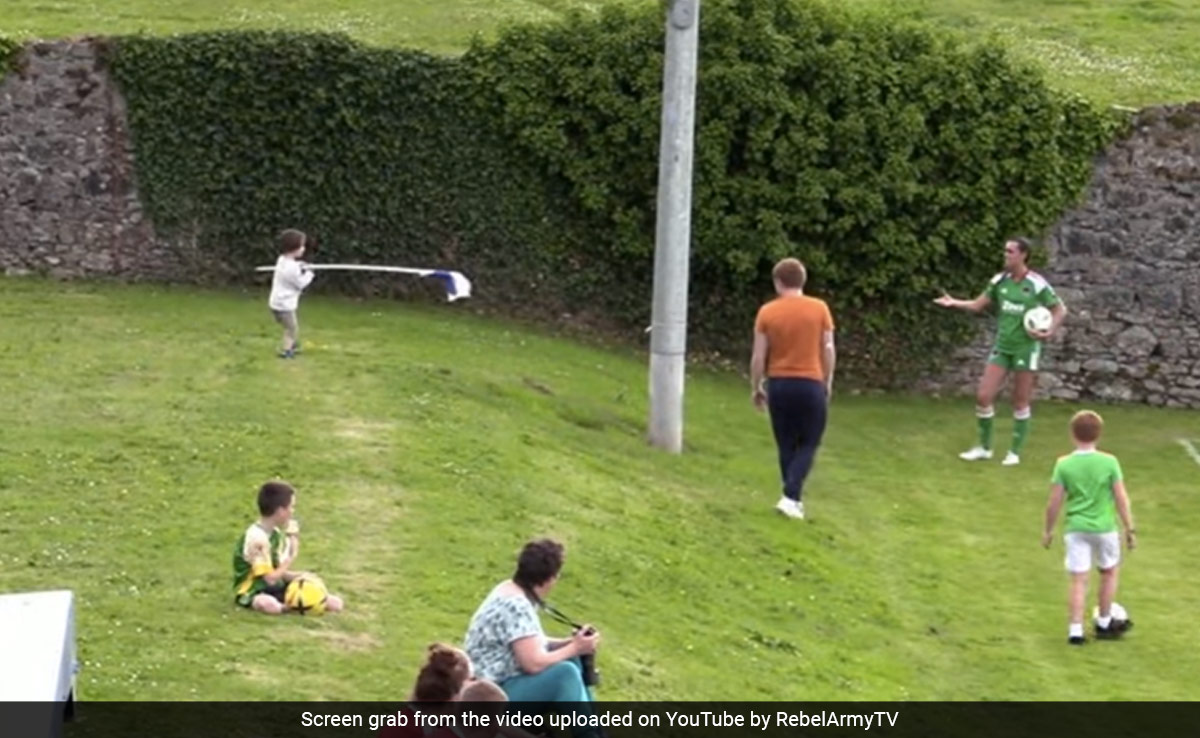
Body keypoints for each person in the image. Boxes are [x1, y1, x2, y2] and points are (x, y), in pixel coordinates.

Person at [934, 237, 1067, 466]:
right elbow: (978, 305)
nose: (1005, 255)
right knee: (983, 396)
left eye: (1010, 251)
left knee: (1020, 400)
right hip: (1002, 347)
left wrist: (1050, 330)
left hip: (1026, 348)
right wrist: (953, 302)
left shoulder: (1036, 284)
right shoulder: (999, 281)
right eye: (1005, 251)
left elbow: (1060, 309)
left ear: (1023, 255)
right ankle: (984, 448)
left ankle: (1014, 452)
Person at [463, 539, 599, 715]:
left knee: (572, 659)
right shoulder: (517, 605)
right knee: (566, 672)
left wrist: (569, 644)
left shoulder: (508, 589)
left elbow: (526, 641)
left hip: (487, 685)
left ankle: (593, 727)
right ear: (550, 578)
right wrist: (575, 647)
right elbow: (532, 663)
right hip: (492, 695)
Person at [749, 257, 836, 521]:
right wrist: (827, 379)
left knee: (786, 442)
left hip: (780, 383)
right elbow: (828, 348)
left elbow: (758, 355)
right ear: (803, 281)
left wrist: (756, 385)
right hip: (810, 382)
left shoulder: (767, 312)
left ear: (777, 282)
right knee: (809, 441)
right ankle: (790, 496)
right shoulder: (819, 309)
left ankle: (792, 498)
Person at [1041, 410, 1136, 645]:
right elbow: (1121, 497)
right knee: (1109, 572)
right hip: (1104, 528)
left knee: (1078, 579)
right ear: (1099, 434)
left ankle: (1075, 630)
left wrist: (1048, 530)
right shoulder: (1109, 462)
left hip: (1076, 528)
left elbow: (1054, 502)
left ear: (1073, 434)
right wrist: (1129, 528)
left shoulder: (1064, 464)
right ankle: (1104, 621)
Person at [232, 480, 345, 614]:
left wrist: (302, 576)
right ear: (280, 511)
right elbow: (269, 579)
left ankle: (297, 604)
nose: (293, 511)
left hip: (275, 586)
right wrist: (291, 556)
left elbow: (279, 572)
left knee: (335, 603)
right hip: (254, 589)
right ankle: (291, 607)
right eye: (291, 507)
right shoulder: (256, 538)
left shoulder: (276, 534)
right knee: (268, 605)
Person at [268, 229, 315, 359]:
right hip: (285, 306)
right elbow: (301, 283)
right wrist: (310, 273)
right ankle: (287, 351)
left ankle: (291, 345)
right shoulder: (291, 268)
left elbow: (292, 266)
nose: (303, 249)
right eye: (302, 246)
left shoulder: (282, 260)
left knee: (288, 328)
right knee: (292, 329)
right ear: (295, 248)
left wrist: (300, 264)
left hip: (276, 303)